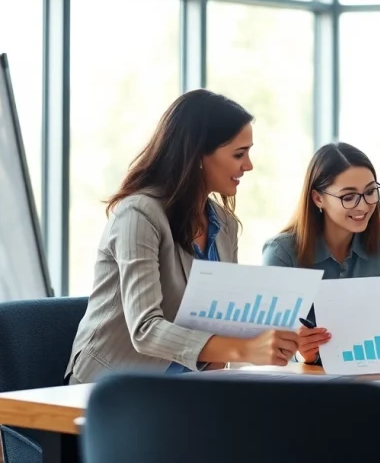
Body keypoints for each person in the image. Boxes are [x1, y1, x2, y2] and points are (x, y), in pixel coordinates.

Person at [65, 90, 300, 385]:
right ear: (198, 156)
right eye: (239, 154)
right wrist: (244, 348)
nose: (248, 165)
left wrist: (284, 340)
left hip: (180, 392)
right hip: (108, 390)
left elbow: (221, 327)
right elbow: (145, 330)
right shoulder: (138, 215)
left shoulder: (225, 226)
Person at [262, 142, 380, 364]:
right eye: (348, 197)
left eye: (370, 192)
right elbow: (271, 346)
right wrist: (302, 353)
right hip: (302, 383)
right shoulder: (281, 252)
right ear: (318, 198)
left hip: (370, 370)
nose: (364, 206)